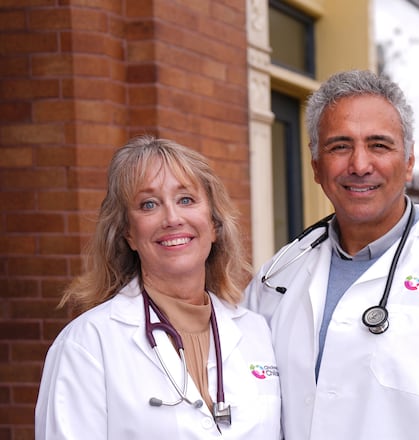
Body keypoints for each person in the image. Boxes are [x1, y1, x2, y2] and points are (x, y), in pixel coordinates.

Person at [244, 70, 419, 439]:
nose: (360, 165)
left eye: (379, 145)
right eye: (339, 146)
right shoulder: (277, 276)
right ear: (316, 166)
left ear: (409, 162)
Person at [35, 136, 281, 439]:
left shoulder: (257, 331)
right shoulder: (87, 344)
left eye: (186, 200)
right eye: (149, 204)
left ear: (214, 224)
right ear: (128, 233)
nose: (172, 218)